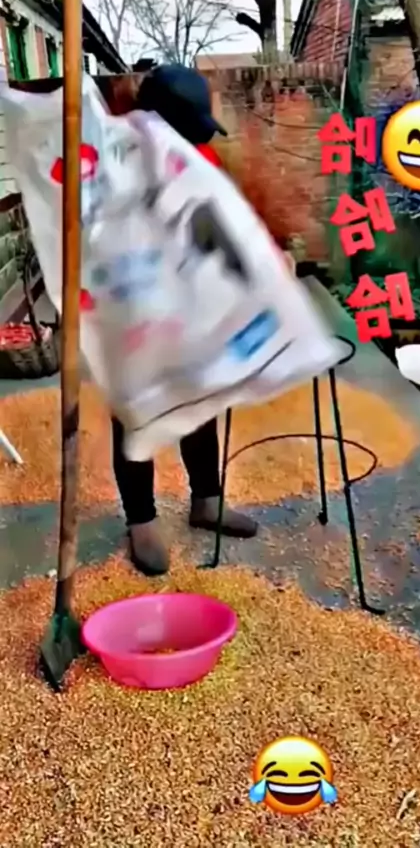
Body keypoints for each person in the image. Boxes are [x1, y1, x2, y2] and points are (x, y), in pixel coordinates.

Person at [112, 63, 258, 578]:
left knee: (200, 399)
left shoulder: (201, 154)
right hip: (133, 305)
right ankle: (141, 520)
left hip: (191, 300)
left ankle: (207, 500)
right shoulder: (117, 160)